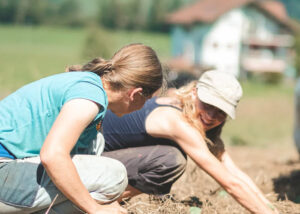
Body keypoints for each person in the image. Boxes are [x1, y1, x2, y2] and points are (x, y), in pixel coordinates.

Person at [0, 43, 164, 214]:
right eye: (147, 99)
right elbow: (52, 155)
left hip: (12, 170)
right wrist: (95, 208)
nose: (144, 106)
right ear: (135, 94)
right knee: (114, 176)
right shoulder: (88, 99)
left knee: (95, 144)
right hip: (4, 170)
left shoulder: (87, 84)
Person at [102, 70, 279, 214]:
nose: (211, 116)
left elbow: (233, 172)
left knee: (170, 156)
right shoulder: (177, 121)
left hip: (101, 161)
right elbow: (229, 183)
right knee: (171, 159)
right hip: (87, 162)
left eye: (220, 112)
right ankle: (99, 203)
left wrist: (268, 207)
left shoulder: (186, 110)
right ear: (194, 92)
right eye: (208, 105)